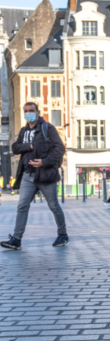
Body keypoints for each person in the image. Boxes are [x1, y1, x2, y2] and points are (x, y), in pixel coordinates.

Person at [1, 103, 68, 250]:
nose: (28, 113)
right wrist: (30, 147)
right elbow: (15, 147)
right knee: (22, 206)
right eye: (26, 111)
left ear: (38, 112)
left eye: (31, 111)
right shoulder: (24, 131)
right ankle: (16, 239)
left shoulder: (47, 128)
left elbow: (60, 148)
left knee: (53, 205)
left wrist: (44, 162)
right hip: (27, 175)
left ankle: (62, 234)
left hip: (45, 175)